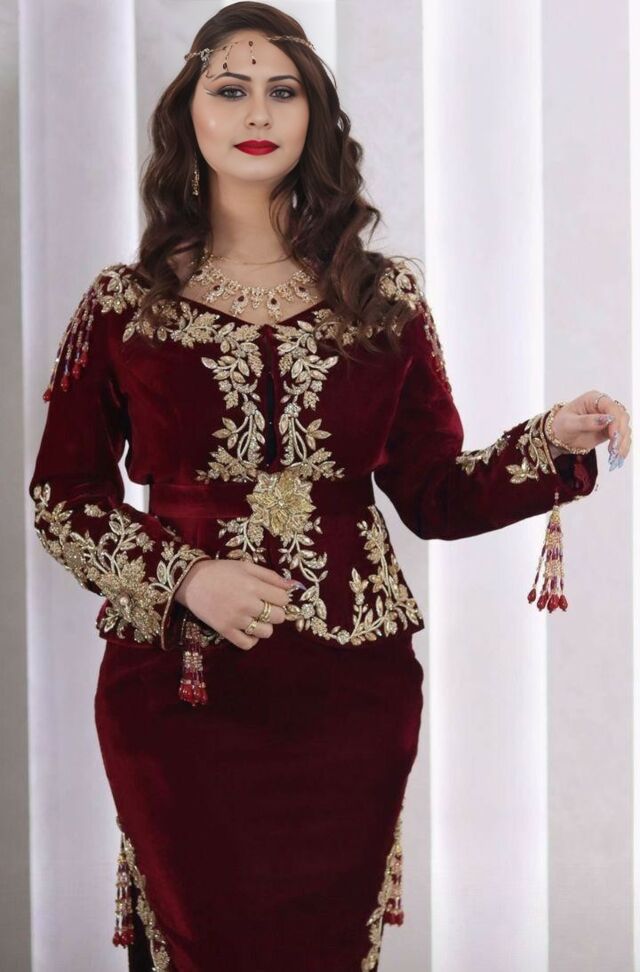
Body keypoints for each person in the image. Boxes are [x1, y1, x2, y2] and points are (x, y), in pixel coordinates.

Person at [27, 3, 630, 970]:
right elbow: (64, 497)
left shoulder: (381, 297)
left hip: (352, 691)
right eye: (230, 89)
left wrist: (549, 444)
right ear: (189, 113)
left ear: (314, 115)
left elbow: (433, 494)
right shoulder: (125, 305)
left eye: (283, 90)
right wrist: (186, 575)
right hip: (182, 686)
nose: (256, 111)